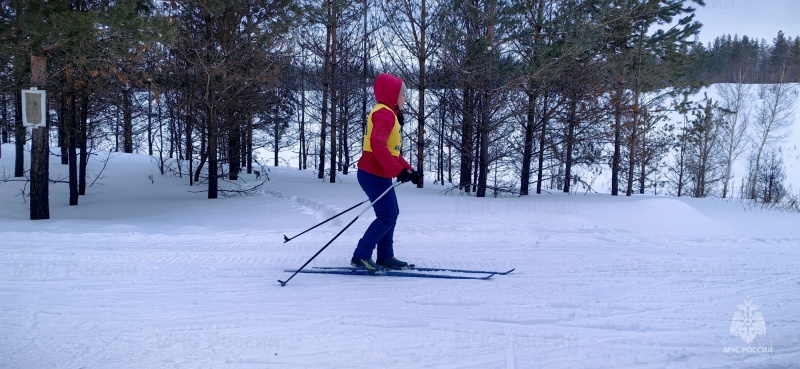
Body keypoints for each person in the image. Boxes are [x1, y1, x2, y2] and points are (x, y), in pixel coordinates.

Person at [351, 73, 422, 271]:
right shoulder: (384, 113)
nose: (405, 98)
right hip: (373, 173)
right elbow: (377, 145)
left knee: (391, 213)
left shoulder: (389, 113)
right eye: (403, 94)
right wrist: (398, 171)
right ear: (392, 94)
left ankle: (385, 256)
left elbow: (393, 152)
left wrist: (408, 170)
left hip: (379, 173)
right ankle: (361, 256)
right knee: (387, 215)